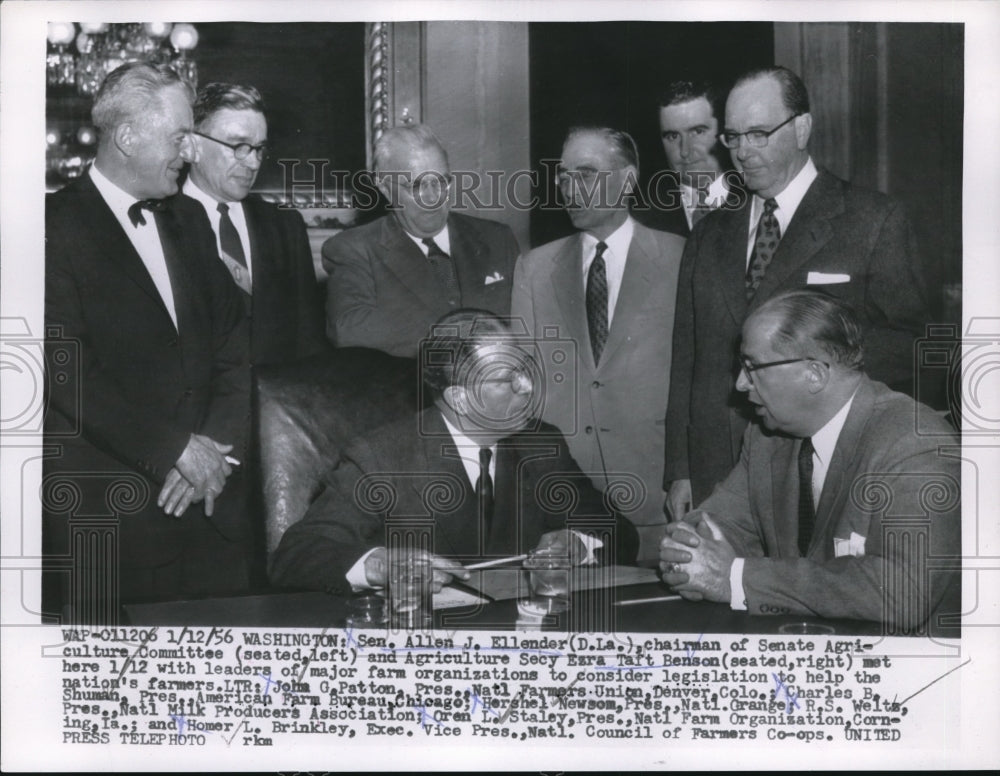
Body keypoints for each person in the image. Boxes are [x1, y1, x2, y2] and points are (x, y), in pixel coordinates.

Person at [664, 66, 934, 518]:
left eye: (759, 134)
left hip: (814, 467)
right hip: (716, 470)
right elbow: (686, 359)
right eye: (733, 137)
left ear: (802, 128)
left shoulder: (873, 220)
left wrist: (820, 364)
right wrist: (680, 469)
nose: (743, 152)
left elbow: (912, 345)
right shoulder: (708, 233)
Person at [44, 62, 251, 619]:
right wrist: (174, 450)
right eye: (180, 135)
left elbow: (235, 343)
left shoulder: (189, 218)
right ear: (128, 136)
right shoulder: (49, 227)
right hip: (109, 518)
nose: (190, 151)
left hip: (209, 502)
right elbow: (65, 373)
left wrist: (213, 450)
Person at [269, 309, 639, 594]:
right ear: (460, 398)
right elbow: (295, 555)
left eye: (525, 370)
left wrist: (578, 543)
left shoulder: (541, 444)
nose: (527, 387)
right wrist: (381, 565)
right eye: (506, 378)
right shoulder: (380, 458)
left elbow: (620, 532)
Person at [659, 290, 960, 631]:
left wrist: (737, 577)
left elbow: (903, 591)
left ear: (814, 374)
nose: (741, 384)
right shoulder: (766, 437)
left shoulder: (916, 444)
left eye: (752, 366)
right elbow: (717, 524)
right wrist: (689, 555)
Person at [512, 127, 684, 565]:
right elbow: (523, 392)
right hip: (568, 513)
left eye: (585, 174)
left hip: (660, 505)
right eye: (564, 176)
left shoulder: (682, 259)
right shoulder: (534, 269)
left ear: (627, 180)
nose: (570, 188)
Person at [323, 123, 520, 358]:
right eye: (416, 186)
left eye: (441, 181)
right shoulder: (354, 249)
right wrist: (461, 337)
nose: (432, 198)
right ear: (385, 188)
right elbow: (348, 329)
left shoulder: (497, 238)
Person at [184, 82, 326, 366]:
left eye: (259, 149)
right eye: (239, 147)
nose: (253, 162)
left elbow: (310, 345)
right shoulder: (156, 222)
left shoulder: (285, 227)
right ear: (193, 146)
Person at [639, 79, 740, 236]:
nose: (684, 151)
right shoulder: (642, 219)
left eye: (698, 132)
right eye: (672, 136)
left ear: (723, 131)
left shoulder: (759, 200)